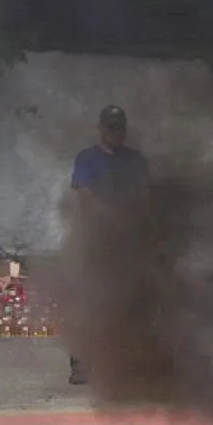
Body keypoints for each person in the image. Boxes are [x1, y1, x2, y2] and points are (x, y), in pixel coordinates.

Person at [66, 105, 149, 385]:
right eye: (112, 127)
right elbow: (84, 192)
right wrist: (109, 215)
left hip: (128, 240)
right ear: (101, 128)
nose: (117, 133)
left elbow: (143, 193)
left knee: (128, 301)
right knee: (90, 299)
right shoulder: (87, 159)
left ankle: (124, 362)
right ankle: (81, 364)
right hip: (95, 237)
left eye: (121, 127)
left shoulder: (135, 160)